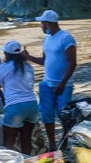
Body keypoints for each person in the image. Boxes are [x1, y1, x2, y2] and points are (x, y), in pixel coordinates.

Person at [22, 10, 77, 151]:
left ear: (48, 23)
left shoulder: (66, 38)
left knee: (63, 114)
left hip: (63, 84)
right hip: (47, 83)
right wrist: (29, 58)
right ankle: (52, 144)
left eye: (42, 23)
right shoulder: (46, 39)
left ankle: (64, 138)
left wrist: (63, 83)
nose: (41, 26)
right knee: (47, 115)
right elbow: (45, 61)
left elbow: (72, 63)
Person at [0, 41, 39, 155]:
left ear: (7, 54)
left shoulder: (4, 67)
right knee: (26, 141)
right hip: (32, 105)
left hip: (15, 107)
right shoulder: (28, 67)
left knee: (8, 143)